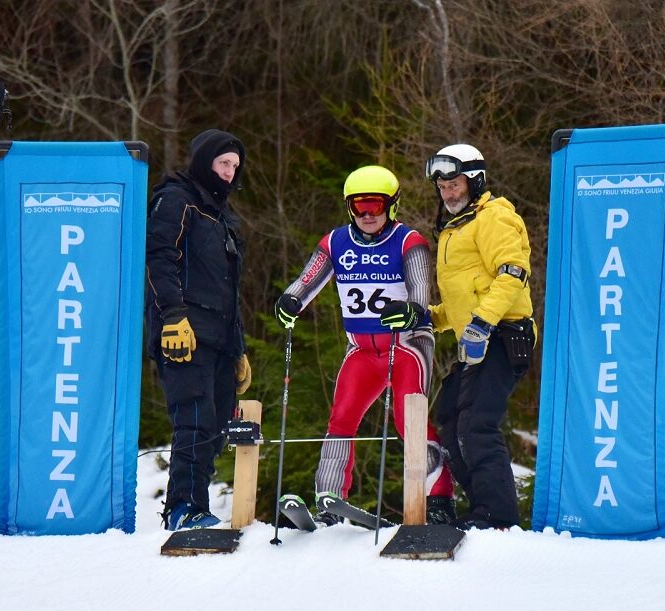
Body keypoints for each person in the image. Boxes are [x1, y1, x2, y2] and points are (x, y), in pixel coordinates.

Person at [274, 165, 456, 526]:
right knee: (341, 418)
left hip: (406, 346)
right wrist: (290, 300)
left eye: (375, 204)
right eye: (359, 206)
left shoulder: (409, 241)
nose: (368, 214)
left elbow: (420, 288)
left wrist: (412, 311)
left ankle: (438, 500)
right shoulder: (336, 242)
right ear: (349, 207)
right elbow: (308, 278)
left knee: (410, 421)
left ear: (392, 205)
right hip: (361, 349)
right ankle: (330, 501)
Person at [424, 143, 535, 531]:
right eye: (442, 187)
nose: (448, 194)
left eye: (454, 185)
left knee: (476, 423)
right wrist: (427, 317)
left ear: (474, 181)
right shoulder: (455, 229)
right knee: (449, 418)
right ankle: (482, 508)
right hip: (478, 337)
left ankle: (498, 516)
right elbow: (463, 299)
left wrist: (483, 323)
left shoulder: (493, 218)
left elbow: (513, 273)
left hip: (503, 334)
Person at [145, 128, 251, 531]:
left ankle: (198, 505)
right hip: (183, 329)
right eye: (223, 163)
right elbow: (159, 256)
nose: (229, 173)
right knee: (194, 416)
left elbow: (229, 288)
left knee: (219, 421)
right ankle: (182, 507)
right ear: (205, 161)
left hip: (219, 336)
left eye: (235, 166)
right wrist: (172, 315)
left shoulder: (221, 216)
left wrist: (237, 348)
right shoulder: (176, 199)